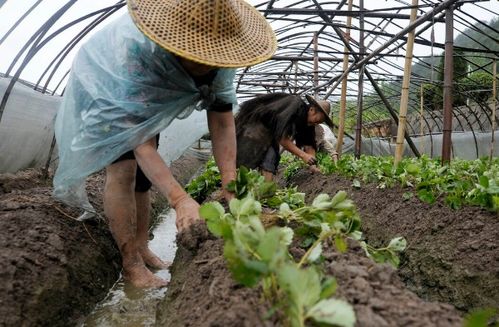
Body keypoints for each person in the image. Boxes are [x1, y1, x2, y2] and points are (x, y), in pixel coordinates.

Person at [52, 0, 276, 288]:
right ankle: (131, 264)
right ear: (174, 45)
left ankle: (143, 246)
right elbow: (140, 143)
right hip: (107, 88)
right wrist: (180, 200)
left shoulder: (223, 56)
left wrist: (229, 182)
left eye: (211, 57)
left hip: (145, 101)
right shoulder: (138, 54)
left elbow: (221, 120)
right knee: (124, 171)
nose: (204, 63)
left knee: (144, 178)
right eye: (196, 56)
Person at [235, 93, 334, 181]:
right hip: (253, 126)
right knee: (244, 161)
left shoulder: (309, 124)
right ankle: (231, 189)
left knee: (271, 159)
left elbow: (309, 145)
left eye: (320, 122)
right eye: (318, 120)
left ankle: (264, 194)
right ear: (312, 110)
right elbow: (282, 138)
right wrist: (303, 155)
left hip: (270, 135)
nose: (317, 123)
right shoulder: (295, 106)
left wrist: (312, 165)